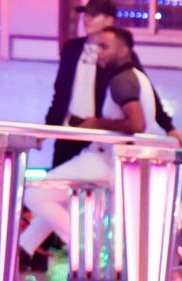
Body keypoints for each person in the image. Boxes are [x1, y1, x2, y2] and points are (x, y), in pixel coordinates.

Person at [19, 26, 164, 268]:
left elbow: (135, 123)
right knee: (53, 198)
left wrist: (95, 123)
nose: (98, 52)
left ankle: (85, 247)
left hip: (105, 159)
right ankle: (24, 248)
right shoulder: (139, 78)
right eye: (96, 46)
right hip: (118, 161)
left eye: (105, 46)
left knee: (34, 192)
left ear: (124, 50)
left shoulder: (122, 81)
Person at [45, 0, 182, 172]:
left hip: (99, 134)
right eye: (86, 14)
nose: (86, 19)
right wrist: (47, 128)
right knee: (56, 184)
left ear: (109, 20)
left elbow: (143, 89)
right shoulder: (72, 48)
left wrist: (169, 127)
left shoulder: (118, 53)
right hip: (69, 130)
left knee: (93, 184)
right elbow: (60, 92)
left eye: (94, 15)